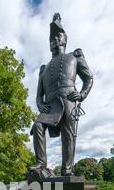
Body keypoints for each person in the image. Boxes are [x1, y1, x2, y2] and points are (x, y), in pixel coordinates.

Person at [29, 13, 93, 177]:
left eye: (58, 36)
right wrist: (40, 105)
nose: (55, 40)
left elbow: (88, 78)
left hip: (68, 99)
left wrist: (82, 94)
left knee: (68, 133)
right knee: (37, 126)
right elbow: (38, 95)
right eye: (52, 39)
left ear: (65, 39)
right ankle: (41, 164)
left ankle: (67, 168)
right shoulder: (44, 68)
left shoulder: (75, 56)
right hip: (50, 105)